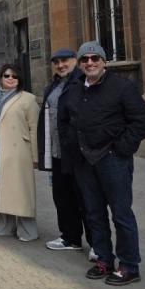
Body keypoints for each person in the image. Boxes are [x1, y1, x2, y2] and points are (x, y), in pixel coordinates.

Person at [59, 42, 145, 285]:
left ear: (103, 61)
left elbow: (142, 122)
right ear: (79, 64)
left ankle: (129, 266)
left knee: (121, 215)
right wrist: (71, 144)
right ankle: (104, 259)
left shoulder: (122, 87)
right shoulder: (75, 88)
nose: (90, 63)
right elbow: (66, 120)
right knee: (94, 213)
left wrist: (120, 149)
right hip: (84, 161)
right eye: (85, 59)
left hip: (113, 161)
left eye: (95, 58)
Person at [37, 48, 94, 258]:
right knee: (63, 198)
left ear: (75, 61)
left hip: (78, 154)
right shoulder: (53, 85)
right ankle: (70, 237)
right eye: (56, 62)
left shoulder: (82, 82)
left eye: (65, 61)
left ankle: (97, 244)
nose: (61, 65)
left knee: (86, 199)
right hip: (57, 152)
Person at [0, 64, 40, 241]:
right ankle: (5, 225)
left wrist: (35, 155)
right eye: (7, 75)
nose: (10, 79)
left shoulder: (28, 99)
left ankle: (27, 229)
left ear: (19, 79)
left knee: (20, 191)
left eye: (14, 76)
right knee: (1, 188)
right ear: (0, 77)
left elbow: (34, 128)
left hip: (18, 152)